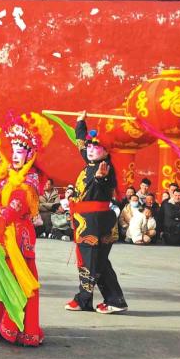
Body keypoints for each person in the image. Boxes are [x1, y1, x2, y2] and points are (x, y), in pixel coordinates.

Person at [0, 113, 52, 347]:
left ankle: (17, 326)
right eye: (13, 150)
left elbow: (19, 202)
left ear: (30, 154)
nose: (15, 155)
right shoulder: (4, 172)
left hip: (18, 236)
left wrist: (2, 218)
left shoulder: (31, 178)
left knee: (17, 279)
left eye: (21, 151)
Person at [65, 114, 128, 314]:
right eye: (90, 147)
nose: (90, 150)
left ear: (106, 151)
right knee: (99, 263)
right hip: (87, 220)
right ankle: (115, 300)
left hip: (95, 222)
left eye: (96, 147)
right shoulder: (91, 161)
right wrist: (80, 122)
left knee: (90, 261)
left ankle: (84, 299)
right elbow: (81, 143)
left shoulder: (106, 169)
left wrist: (100, 178)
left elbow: (104, 184)